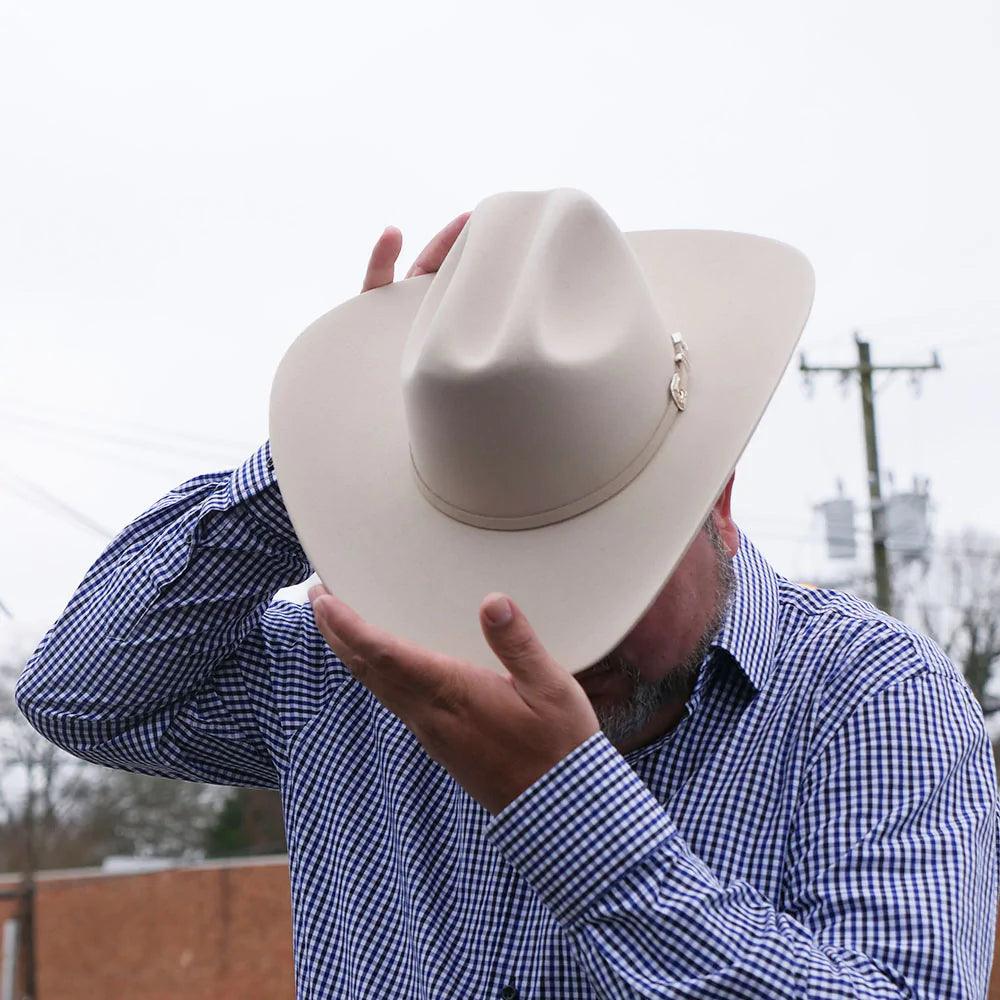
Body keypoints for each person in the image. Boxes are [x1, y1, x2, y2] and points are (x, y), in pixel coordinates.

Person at [17, 200, 999, 999]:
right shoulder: (367, 668)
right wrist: (319, 460)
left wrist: (570, 813)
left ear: (720, 500)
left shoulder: (869, 697)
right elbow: (81, 693)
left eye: (602, 567)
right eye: (493, 565)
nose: (550, 640)